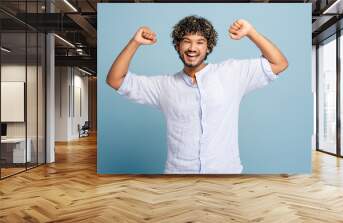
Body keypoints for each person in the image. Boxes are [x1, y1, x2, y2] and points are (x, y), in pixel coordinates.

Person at [106, 15, 288, 174]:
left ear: (208, 47)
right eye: (186, 41)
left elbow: (279, 63)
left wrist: (251, 32)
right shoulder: (164, 86)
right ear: (178, 46)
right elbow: (115, 80)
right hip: (178, 177)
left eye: (200, 42)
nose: (192, 48)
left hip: (225, 175)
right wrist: (135, 42)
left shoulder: (232, 73)